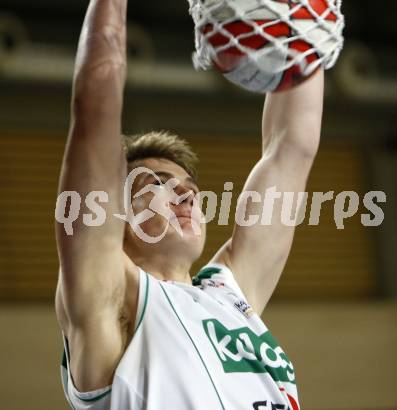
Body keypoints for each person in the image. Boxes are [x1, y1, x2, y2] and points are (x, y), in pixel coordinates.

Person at [55, 0, 325, 409]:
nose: (185, 194)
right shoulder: (113, 302)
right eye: (158, 183)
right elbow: (95, 108)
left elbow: (291, 148)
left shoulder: (229, 294)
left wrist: (305, 28)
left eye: (190, 188)